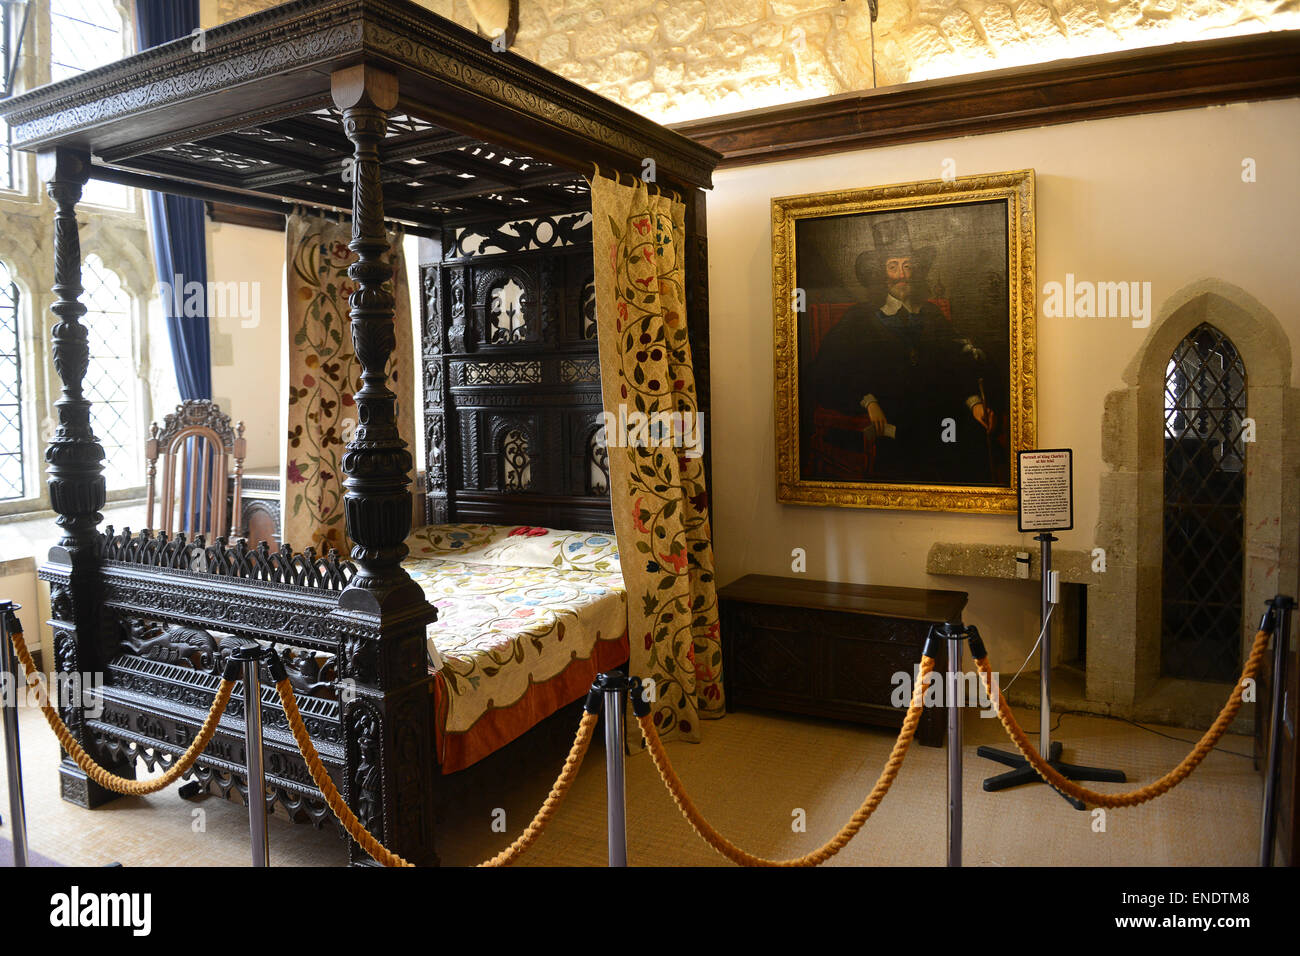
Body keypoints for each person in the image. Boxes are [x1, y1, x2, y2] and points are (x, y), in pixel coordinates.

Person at [809, 216, 997, 484]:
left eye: (907, 266)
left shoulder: (931, 314)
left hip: (941, 417)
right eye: (893, 266)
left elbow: (956, 362)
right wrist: (868, 400)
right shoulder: (860, 318)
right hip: (893, 421)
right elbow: (829, 368)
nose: (902, 275)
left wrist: (974, 402)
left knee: (971, 446)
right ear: (880, 274)